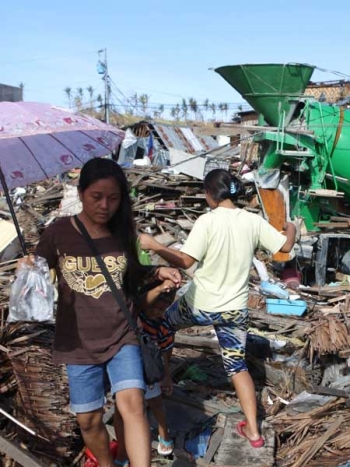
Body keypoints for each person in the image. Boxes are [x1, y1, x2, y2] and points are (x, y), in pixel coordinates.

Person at [20, 158, 181, 467]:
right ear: (81, 194)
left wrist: (157, 271)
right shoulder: (58, 233)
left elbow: (132, 275)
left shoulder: (123, 233)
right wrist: (27, 269)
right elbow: (36, 284)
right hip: (77, 342)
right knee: (89, 421)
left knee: (133, 405)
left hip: (123, 334)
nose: (105, 205)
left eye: (113, 197)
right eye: (97, 196)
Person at [139, 169, 296, 448]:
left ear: (209, 194)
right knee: (237, 366)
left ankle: (163, 378)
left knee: (164, 325)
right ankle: (254, 432)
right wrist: (292, 228)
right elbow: (284, 248)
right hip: (234, 310)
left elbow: (186, 262)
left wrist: (152, 244)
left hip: (199, 306)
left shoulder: (206, 221)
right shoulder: (252, 220)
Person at [114, 278, 177, 464]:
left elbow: (166, 351)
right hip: (126, 365)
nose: (157, 313)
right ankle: (122, 452)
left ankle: (164, 432)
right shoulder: (135, 314)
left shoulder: (164, 325)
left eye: (162, 310)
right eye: (154, 308)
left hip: (149, 369)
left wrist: (166, 375)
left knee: (155, 403)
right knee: (121, 410)